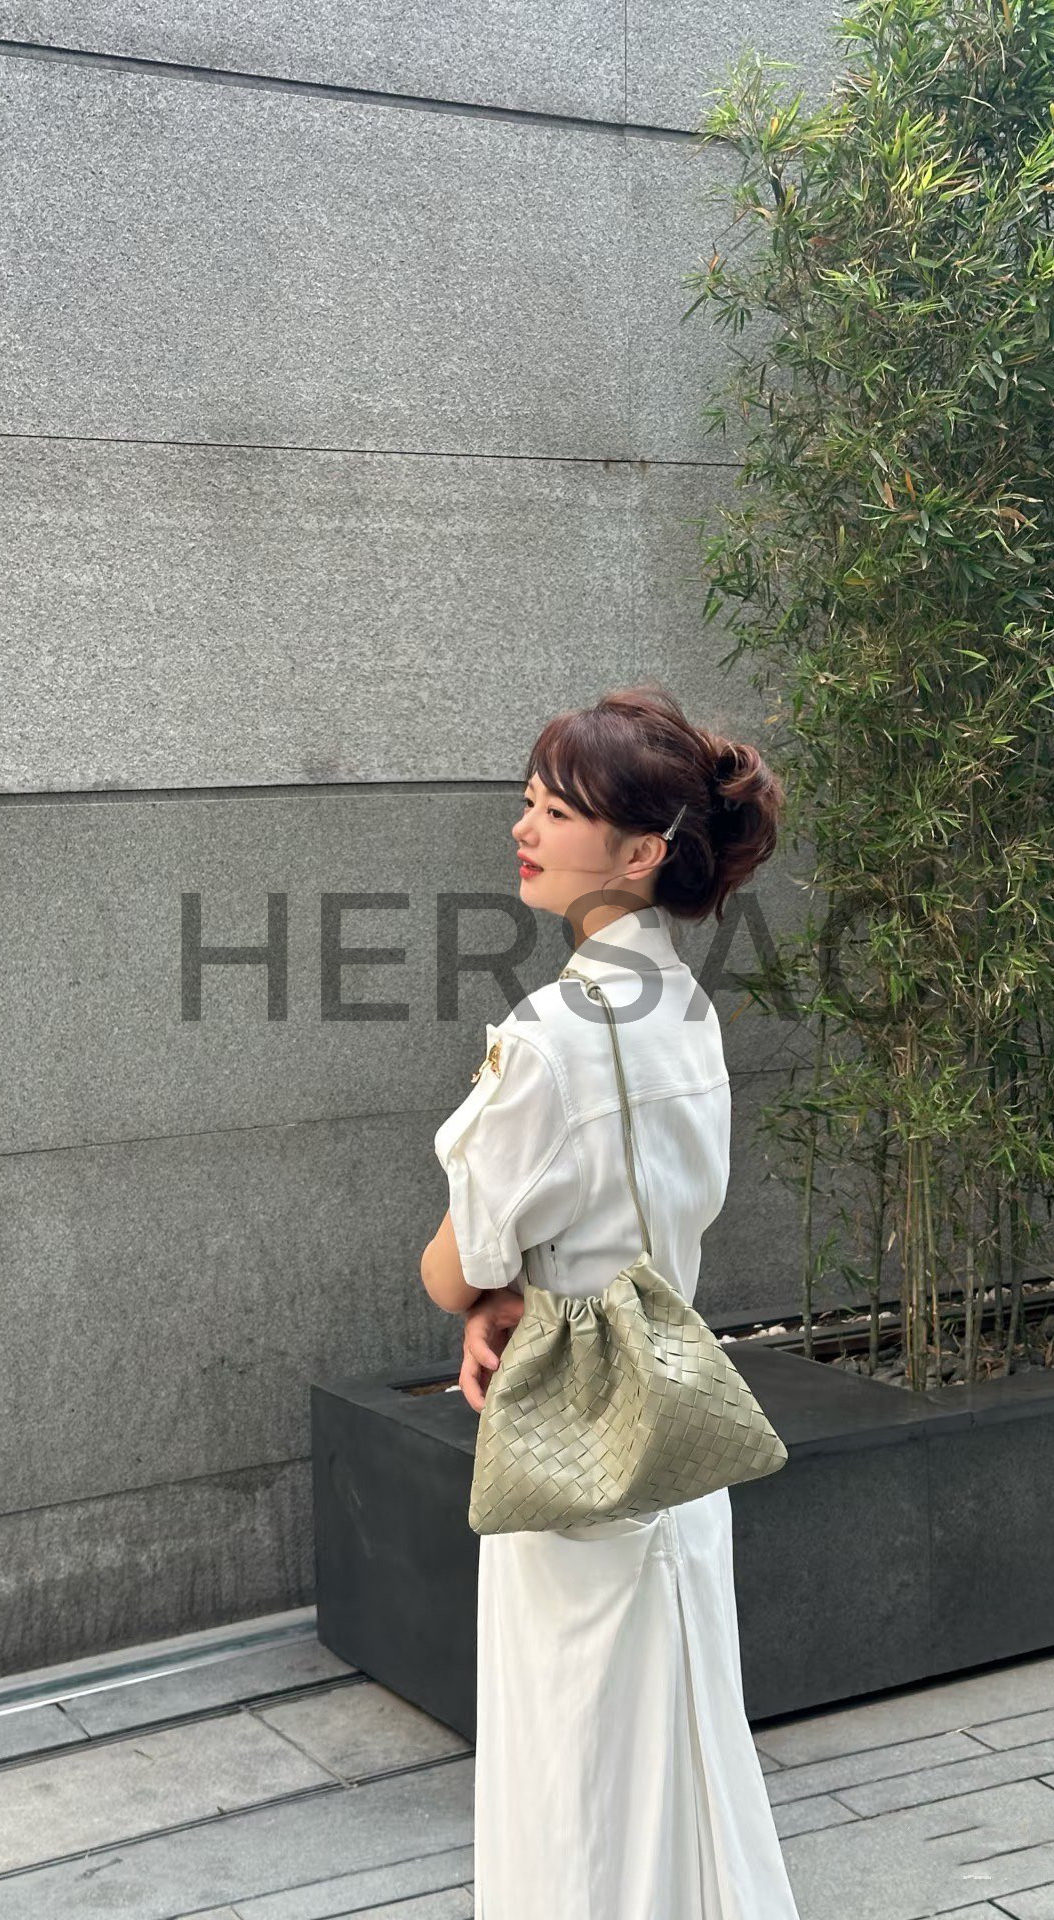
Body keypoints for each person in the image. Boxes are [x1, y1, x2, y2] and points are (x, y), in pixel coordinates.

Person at [419, 683, 801, 1920]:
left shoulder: (546, 1039)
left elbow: (453, 1266)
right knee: (684, 1751)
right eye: (528, 802)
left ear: (641, 853)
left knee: (574, 1779)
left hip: (575, 1445)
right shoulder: (687, 1010)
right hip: (674, 1427)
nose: (524, 828)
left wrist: (487, 1293)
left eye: (557, 809)